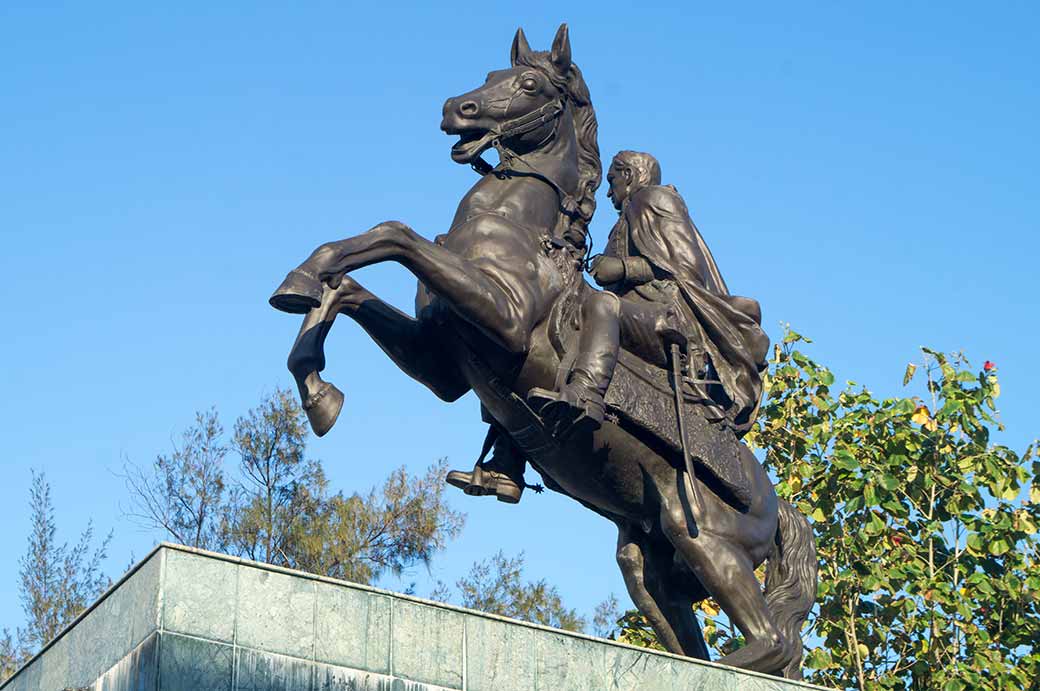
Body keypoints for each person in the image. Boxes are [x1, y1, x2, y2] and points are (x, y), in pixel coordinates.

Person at [446, 150, 769, 503]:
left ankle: (585, 395)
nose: (609, 191)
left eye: (613, 181)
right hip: (639, 317)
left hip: (669, 320)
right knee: (541, 330)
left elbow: (685, 271)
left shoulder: (655, 199)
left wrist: (624, 270)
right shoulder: (627, 216)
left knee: (602, 304)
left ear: (629, 175)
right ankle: (507, 464)